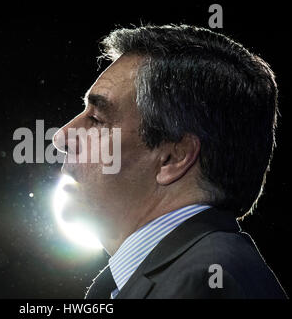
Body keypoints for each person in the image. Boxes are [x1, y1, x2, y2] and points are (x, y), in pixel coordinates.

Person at [52, 24, 287, 299]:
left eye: (97, 119)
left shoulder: (199, 285)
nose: (62, 136)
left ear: (172, 158)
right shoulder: (200, 271)